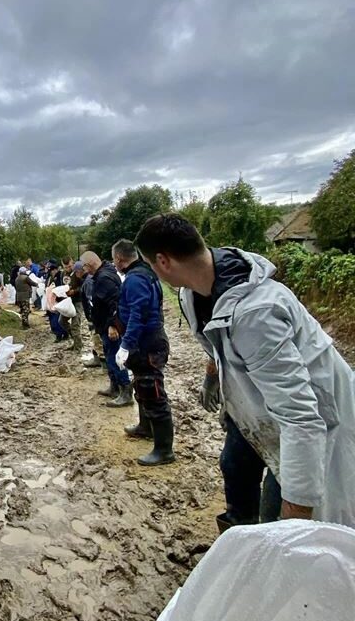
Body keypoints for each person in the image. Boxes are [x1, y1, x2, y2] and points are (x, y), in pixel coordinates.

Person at [136, 213, 355, 524]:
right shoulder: (192, 293)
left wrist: (295, 520)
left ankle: (271, 545)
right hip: (258, 405)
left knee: (281, 504)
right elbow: (217, 343)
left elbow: (301, 417)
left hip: (312, 418)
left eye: (150, 264)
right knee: (234, 465)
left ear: (163, 261)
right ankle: (239, 532)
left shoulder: (257, 314)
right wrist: (213, 377)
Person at [110, 238, 174, 466]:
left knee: (153, 391)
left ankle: (164, 450)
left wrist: (126, 344)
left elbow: (139, 314)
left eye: (114, 260)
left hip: (146, 342)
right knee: (142, 386)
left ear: (119, 259)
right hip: (147, 340)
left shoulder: (135, 280)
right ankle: (145, 427)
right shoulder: (146, 274)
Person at [80, 250, 132, 396]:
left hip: (110, 327)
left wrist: (112, 325)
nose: (84, 270)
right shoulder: (103, 274)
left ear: (89, 264)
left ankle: (125, 391)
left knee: (115, 357)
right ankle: (114, 387)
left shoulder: (104, 278)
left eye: (84, 266)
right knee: (110, 357)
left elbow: (115, 303)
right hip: (103, 325)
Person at [61, 261, 85, 352]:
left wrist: (74, 291)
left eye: (69, 266)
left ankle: (78, 346)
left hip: (78, 301)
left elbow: (83, 285)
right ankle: (76, 341)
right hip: (68, 301)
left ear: (72, 263)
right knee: (62, 321)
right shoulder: (63, 274)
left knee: (75, 324)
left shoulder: (77, 272)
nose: (68, 268)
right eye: (65, 267)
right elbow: (62, 285)